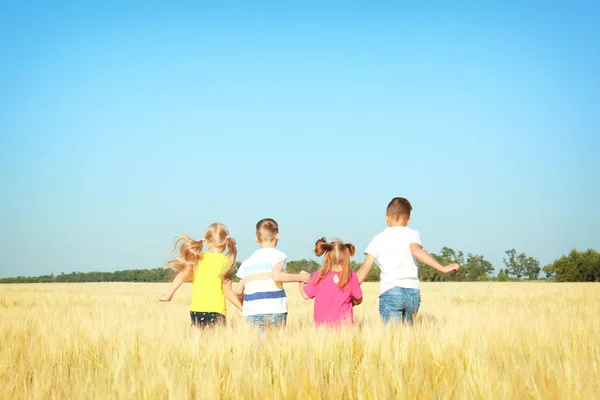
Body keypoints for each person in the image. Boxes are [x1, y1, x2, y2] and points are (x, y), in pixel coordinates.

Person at [357, 197, 459, 324]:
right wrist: (442, 268)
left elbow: (365, 267)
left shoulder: (378, 238)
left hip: (391, 291)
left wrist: (349, 288)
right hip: (412, 292)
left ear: (386, 217)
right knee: (407, 338)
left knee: (393, 337)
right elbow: (417, 251)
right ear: (408, 220)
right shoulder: (413, 234)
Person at [158, 222, 242, 331]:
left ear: (206, 241)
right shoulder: (225, 262)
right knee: (216, 345)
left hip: (196, 310)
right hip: (216, 310)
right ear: (226, 242)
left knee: (197, 343)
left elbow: (181, 275)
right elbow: (227, 291)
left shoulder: (198, 259)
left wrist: (168, 295)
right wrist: (242, 308)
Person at [234, 218, 310, 332]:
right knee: (276, 345)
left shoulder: (247, 262)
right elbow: (277, 276)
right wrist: (300, 277)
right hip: (275, 309)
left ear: (256, 238)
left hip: (253, 312)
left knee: (258, 346)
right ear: (277, 236)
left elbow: (238, 291)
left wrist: (245, 305)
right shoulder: (278, 255)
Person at [299, 238, 363, 328]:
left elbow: (305, 295)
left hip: (323, 329)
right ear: (346, 255)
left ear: (327, 257)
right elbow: (359, 299)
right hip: (345, 328)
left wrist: (300, 280)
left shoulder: (319, 276)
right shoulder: (351, 275)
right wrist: (352, 302)